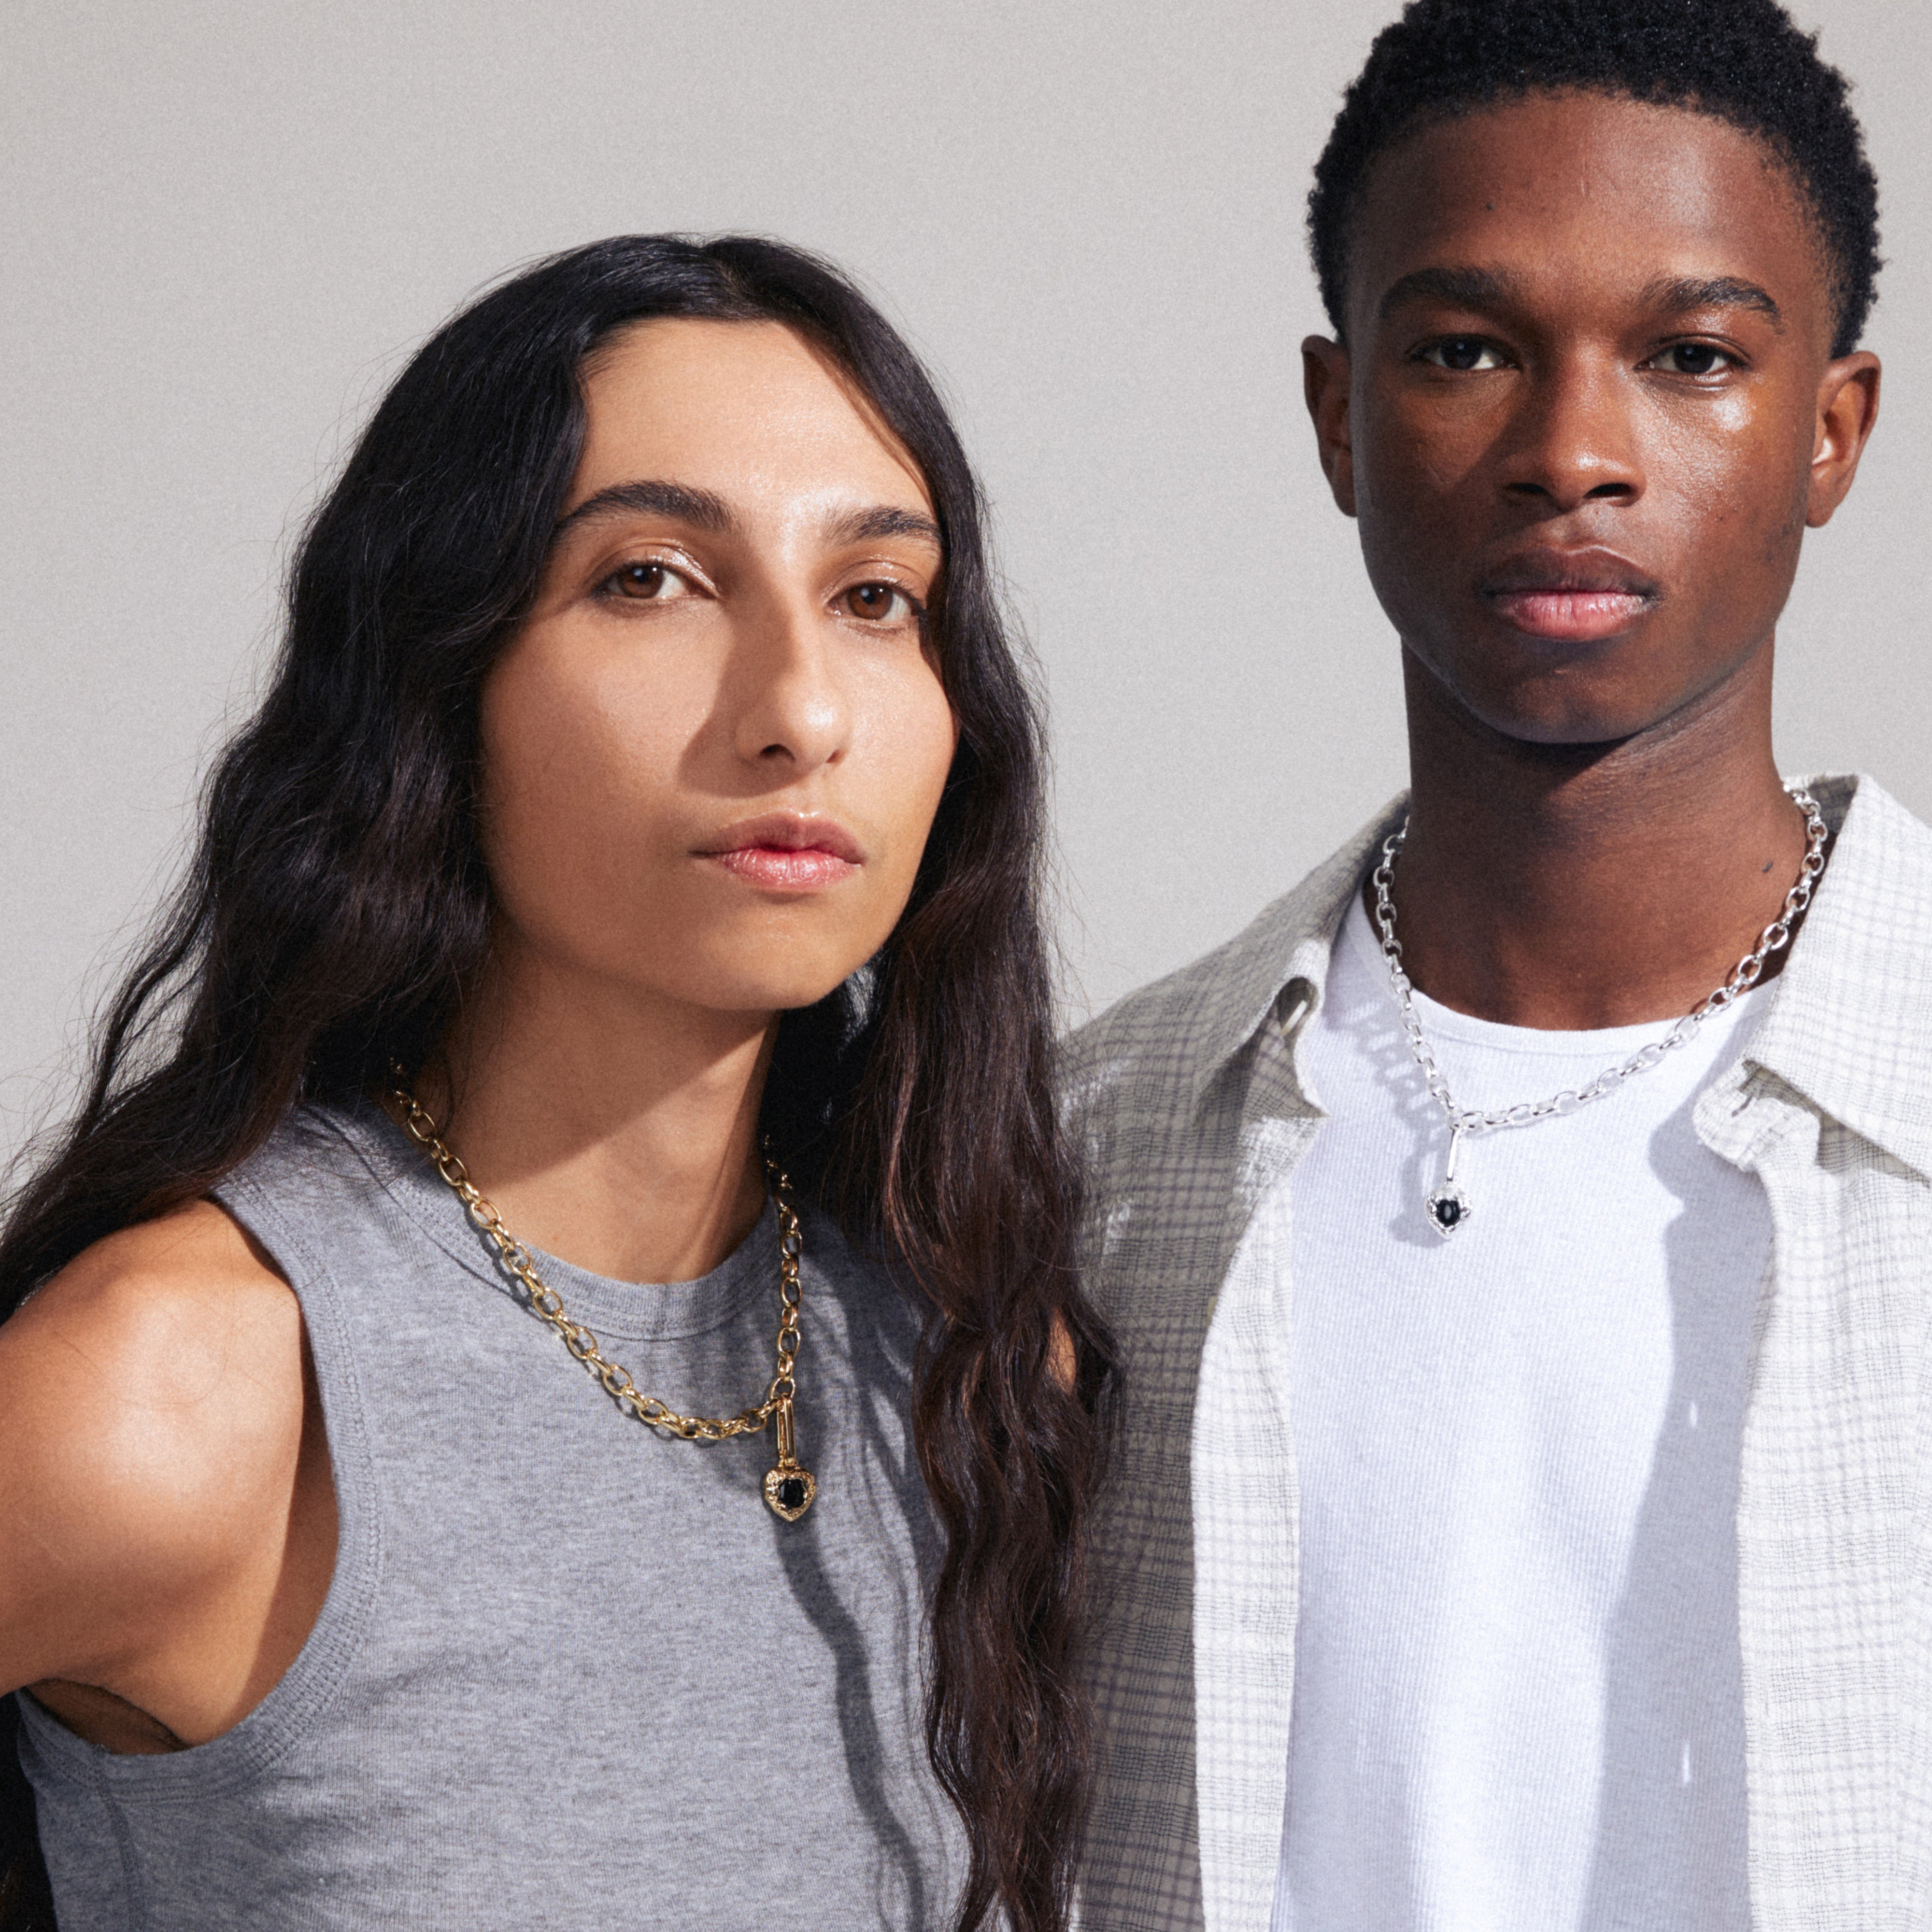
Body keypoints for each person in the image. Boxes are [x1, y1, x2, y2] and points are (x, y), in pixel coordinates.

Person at [0, 234, 1114, 1932]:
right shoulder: (193, 1386)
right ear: (438, 683)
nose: (801, 709)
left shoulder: (968, 1356)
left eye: (876, 597)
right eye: (651, 579)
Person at [1064, 2, 1921, 1927]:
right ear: (1338, 417)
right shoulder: (1088, 1158)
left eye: (1690, 356)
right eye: (1465, 350)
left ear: (1829, 433)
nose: (1570, 453)